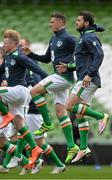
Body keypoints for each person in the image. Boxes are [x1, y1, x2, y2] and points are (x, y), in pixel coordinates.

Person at [22, 12, 79, 163]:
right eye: (50, 21)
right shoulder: (53, 39)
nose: (50, 24)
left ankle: (47, 123)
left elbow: (81, 54)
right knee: (61, 112)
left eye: (53, 22)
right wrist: (31, 54)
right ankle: (72, 146)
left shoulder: (68, 38)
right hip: (59, 78)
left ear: (61, 23)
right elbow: (47, 59)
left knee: (33, 91)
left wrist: (70, 67)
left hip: (63, 77)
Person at [56, 11, 109, 163]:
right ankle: (84, 147)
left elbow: (99, 55)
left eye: (78, 20)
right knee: (80, 115)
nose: (76, 22)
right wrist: (69, 67)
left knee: (69, 106)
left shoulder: (89, 37)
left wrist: (90, 74)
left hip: (86, 79)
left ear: (86, 23)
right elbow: (82, 60)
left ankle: (101, 116)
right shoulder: (85, 36)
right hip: (85, 77)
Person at [0, 29, 49, 167]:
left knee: (14, 121)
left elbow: (36, 68)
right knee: (20, 125)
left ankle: (5, 115)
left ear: (13, 44)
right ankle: (35, 149)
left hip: (20, 91)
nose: (4, 45)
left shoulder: (19, 56)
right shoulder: (9, 57)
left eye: (6, 43)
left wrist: (48, 81)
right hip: (15, 95)